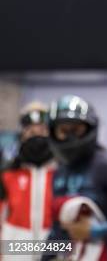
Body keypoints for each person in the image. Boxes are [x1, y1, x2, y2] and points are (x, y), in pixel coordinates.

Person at [43, 95, 107, 260]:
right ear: (53, 132)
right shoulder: (59, 171)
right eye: (63, 131)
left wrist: (96, 231)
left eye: (76, 130)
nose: (70, 137)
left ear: (90, 128)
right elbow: (58, 229)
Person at [0, 102, 55, 243]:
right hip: (15, 251)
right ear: (23, 134)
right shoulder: (8, 172)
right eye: (31, 132)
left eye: (42, 131)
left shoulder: (63, 172)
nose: (36, 136)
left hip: (54, 249)